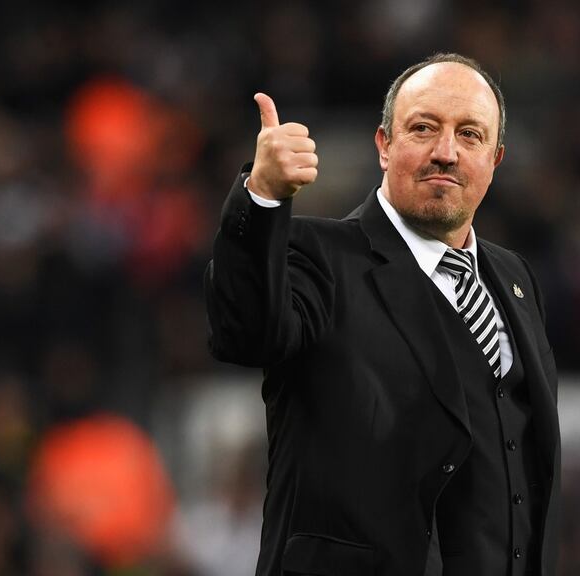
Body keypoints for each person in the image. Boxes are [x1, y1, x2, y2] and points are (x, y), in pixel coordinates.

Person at [204, 52, 560, 576]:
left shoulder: (516, 279)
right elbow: (244, 333)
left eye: (470, 135)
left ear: (495, 159)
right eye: (423, 129)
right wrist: (262, 197)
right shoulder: (317, 255)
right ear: (384, 146)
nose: (446, 152)